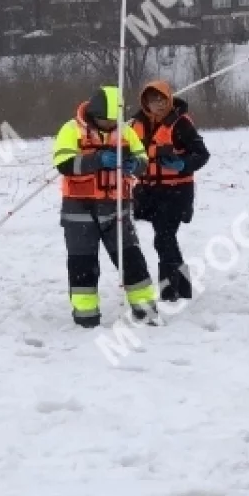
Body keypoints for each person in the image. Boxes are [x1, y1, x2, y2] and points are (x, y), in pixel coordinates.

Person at [52, 85, 161, 328]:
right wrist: (97, 160)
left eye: (114, 121)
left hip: (116, 208)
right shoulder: (71, 130)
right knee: (83, 265)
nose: (110, 126)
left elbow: (142, 157)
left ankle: (145, 310)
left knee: (132, 259)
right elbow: (64, 164)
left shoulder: (126, 131)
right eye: (105, 121)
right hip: (79, 210)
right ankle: (86, 316)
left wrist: (137, 165)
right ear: (93, 113)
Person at [129, 80, 211, 301]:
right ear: (145, 102)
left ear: (169, 99)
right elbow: (127, 152)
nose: (159, 104)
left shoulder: (181, 123)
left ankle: (169, 291)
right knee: (166, 238)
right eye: (153, 100)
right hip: (149, 192)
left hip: (176, 191)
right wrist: (130, 163)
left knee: (164, 238)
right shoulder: (135, 125)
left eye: (162, 99)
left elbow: (202, 154)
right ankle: (182, 287)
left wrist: (182, 164)